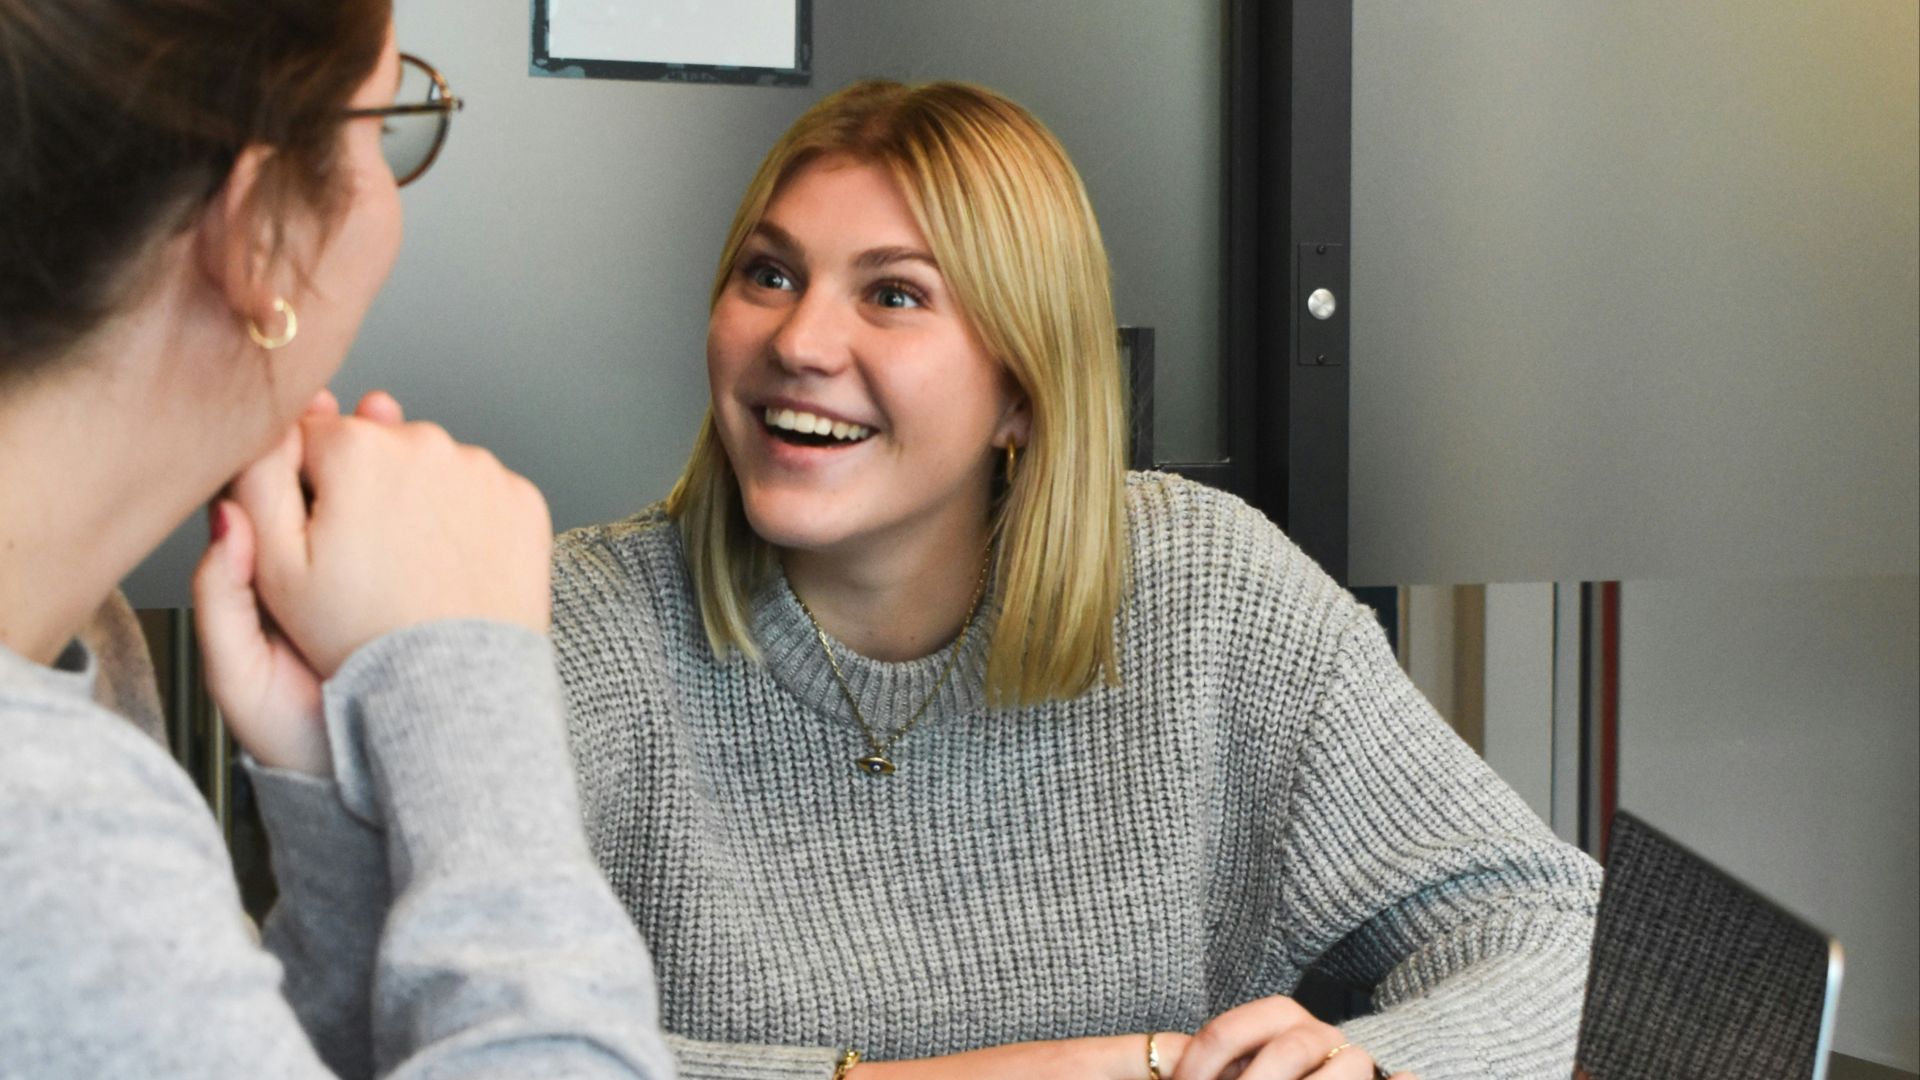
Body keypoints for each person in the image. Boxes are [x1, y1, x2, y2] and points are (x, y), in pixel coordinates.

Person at [548, 80, 1601, 1079]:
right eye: (769, 274)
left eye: (894, 293)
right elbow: (424, 1040)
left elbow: (1529, 916)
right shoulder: (572, 630)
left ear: (1022, 393)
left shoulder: (1204, 588)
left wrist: (1379, 1064)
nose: (799, 340)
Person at [0, 2, 672, 1076]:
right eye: (387, 121)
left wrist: (338, 828)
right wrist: (463, 681)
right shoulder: (45, 823)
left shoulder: (88, 648)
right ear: (261, 225)